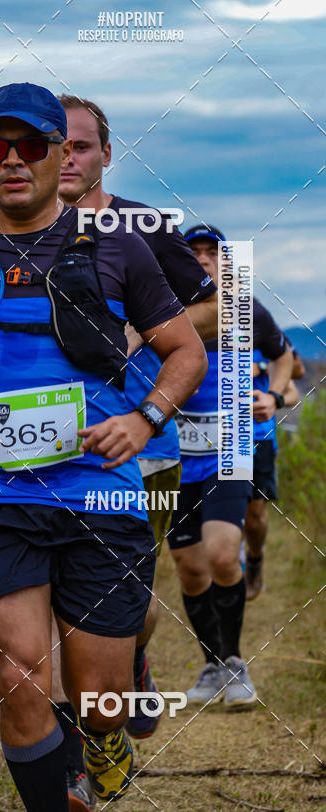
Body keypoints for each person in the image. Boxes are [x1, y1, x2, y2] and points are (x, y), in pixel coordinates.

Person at [0, 82, 207, 811]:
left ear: (62, 154)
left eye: (32, 145)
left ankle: (105, 736)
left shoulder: (119, 249)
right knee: (21, 671)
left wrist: (146, 418)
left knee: (98, 702)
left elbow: (185, 350)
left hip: (102, 494)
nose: (14, 161)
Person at [52, 94, 218, 808]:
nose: (67, 159)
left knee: (128, 599)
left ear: (105, 154)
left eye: (82, 146)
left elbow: (212, 308)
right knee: (57, 601)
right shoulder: (18, 228)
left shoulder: (143, 224)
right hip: (50, 446)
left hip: (145, 441)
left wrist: (145, 330)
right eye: (54, 145)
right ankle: (74, 760)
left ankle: (135, 654)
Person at [168, 224, 293, 709]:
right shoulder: (163, 306)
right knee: (190, 570)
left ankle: (236, 661)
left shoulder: (245, 309)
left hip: (233, 447)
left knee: (223, 555)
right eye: (193, 252)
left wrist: (274, 395)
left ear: (226, 263)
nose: (202, 259)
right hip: (177, 456)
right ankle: (212, 663)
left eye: (211, 252)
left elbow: (285, 357)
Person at [244, 342, 304, 599]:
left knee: (254, 515)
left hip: (260, 439)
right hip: (221, 439)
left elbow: (294, 384)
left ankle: (254, 560)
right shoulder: (207, 336)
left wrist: (262, 368)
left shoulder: (265, 336)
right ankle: (226, 570)